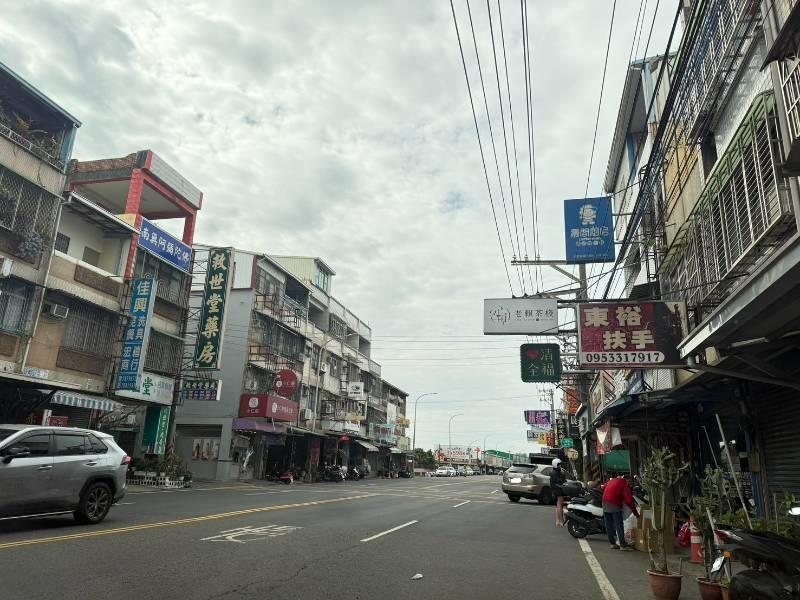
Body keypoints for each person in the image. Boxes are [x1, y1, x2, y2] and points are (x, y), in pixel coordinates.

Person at [602, 473, 640, 550]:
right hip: (614, 503)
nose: (630, 484)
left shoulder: (613, 480)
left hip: (604, 501)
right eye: (630, 482)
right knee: (619, 524)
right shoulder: (623, 483)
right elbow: (629, 501)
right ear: (627, 480)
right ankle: (623, 545)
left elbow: (603, 487)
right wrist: (636, 513)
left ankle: (612, 544)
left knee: (608, 524)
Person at [550, 458, 568, 526]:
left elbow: (563, 481)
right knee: (560, 506)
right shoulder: (555, 473)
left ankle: (558, 521)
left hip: (556, 491)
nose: (560, 466)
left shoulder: (556, 472)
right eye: (559, 464)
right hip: (558, 491)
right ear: (555, 464)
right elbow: (559, 482)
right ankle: (561, 521)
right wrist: (563, 485)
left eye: (560, 464)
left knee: (558, 506)